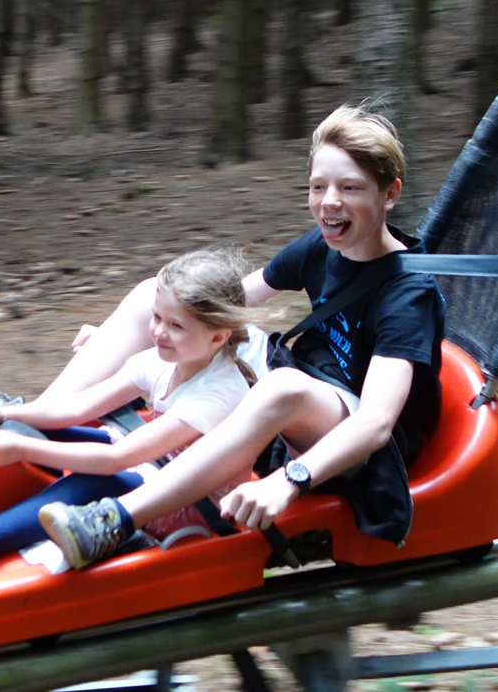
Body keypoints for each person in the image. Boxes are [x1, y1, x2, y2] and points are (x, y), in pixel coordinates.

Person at [37, 104, 446, 570]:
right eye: (318, 187)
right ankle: (32, 424)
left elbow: (375, 423)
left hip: (360, 453)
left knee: (282, 387)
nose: (329, 202)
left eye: (349, 188)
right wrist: (142, 334)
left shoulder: (407, 295)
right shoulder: (322, 244)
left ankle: (112, 521)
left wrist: (288, 481)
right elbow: (220, 307)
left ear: (390, 194)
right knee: (156, 292)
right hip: (301, 396)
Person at [0, 248, 263, 586]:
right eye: (157, 317)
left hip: (188, 508)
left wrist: (22, 447)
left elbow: (116, 460)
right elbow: (77, 408)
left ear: (218, 336)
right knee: (40, 428)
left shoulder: (217, 395)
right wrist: (6, 413)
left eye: (174, 326)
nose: (158, 332)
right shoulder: (165, 359)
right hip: (156, 468)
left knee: (99, 478)